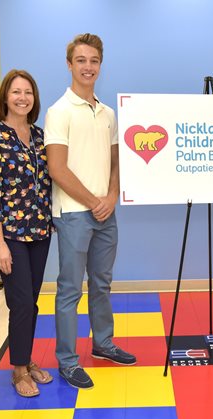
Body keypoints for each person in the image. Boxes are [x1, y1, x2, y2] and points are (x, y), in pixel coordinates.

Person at [45, 33, 136, 390]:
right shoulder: (58, 111)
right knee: (70, 289)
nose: (88, 66)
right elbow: (58, 169)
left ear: (100, 65)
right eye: (81, 60)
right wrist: (93, 201)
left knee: (102, 284)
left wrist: (111, 197)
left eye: (93, 61)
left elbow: (116, 162)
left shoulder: (108, 113)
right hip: (72, 214)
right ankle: (67, 360)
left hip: (105, 213)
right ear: (70, 65)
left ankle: (103, 344)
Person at [0, 69, 53, 397]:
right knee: (21, 302)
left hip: (40, 230)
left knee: (31, 302)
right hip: (9, 234)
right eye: (16, 92)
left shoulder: (39, 136)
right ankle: (18, 370)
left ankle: (26, 358)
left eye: (28, 92)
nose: (23, 98)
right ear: (5, 97)